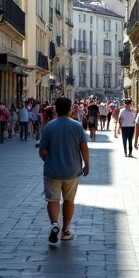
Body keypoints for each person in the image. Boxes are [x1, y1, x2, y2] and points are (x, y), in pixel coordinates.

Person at [37, 96, 89, 244]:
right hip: (72, 171)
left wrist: (49, 161)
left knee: (52, 199)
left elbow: (42, 150)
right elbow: (83, 147)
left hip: (52, 171)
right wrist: (87, 164)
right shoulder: (77, 126)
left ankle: (55, 224)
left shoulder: (49, 126)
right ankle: (65, 230)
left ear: (55, 110)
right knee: (69, 200)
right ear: (70, 109)